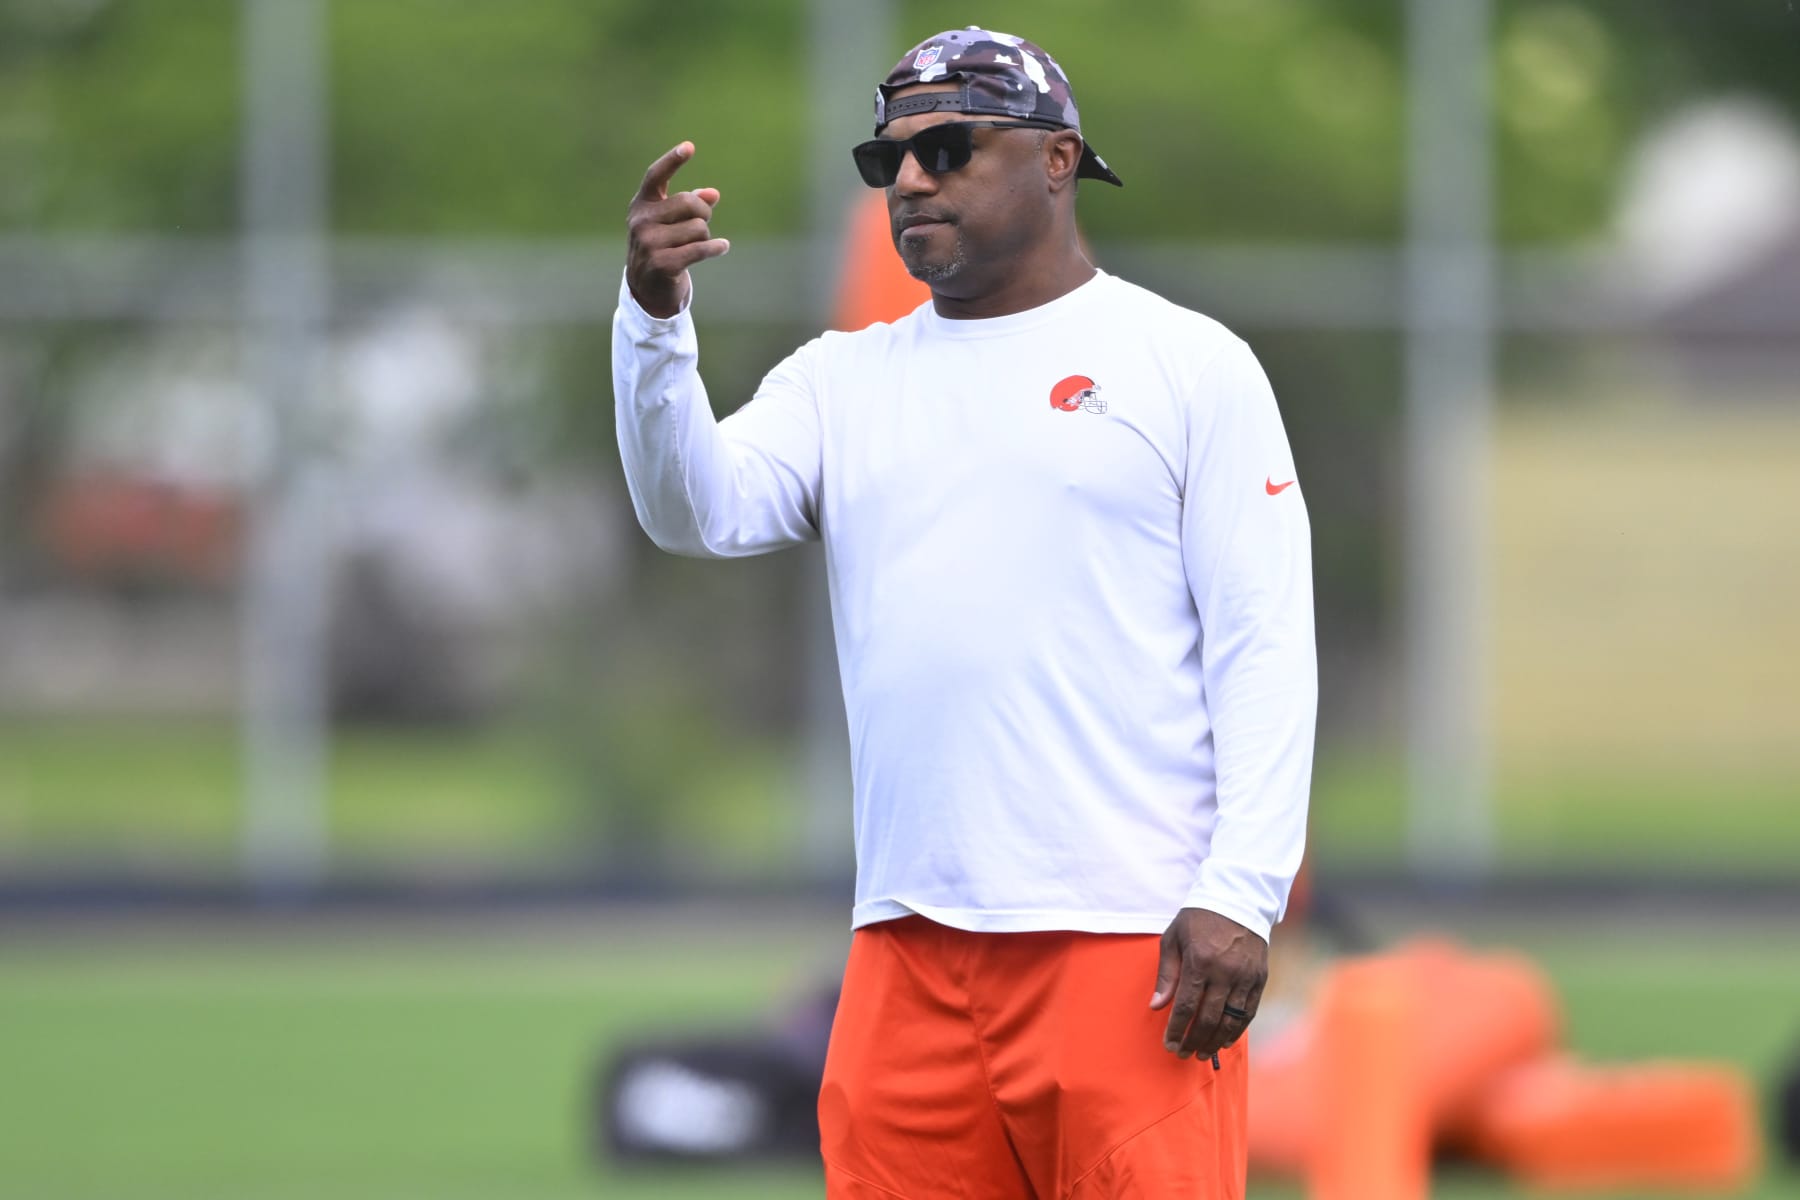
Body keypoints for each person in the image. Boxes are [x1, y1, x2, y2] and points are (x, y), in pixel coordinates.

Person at [613, 26, 1316, 1200]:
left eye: (948, 148)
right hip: (905, 946)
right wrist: (652, 320)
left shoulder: (1189, 365)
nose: (913, 181)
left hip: (1129, 943)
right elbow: (699, 511)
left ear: (1057, 160)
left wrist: (1240, 892)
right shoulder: (845, 378)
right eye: (888, 162)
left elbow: (1265, 644)